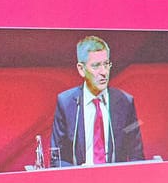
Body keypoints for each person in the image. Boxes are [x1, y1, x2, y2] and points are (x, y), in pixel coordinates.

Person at [49, 34, 145, 166]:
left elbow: (137, 156)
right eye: (96, 66)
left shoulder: (125, 102)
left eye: (106, 64)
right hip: (78, 182)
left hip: (115, 181)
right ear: (81, 69)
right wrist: (79, 174)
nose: (104, 72)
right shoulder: (65, 103)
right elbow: (56, 159)